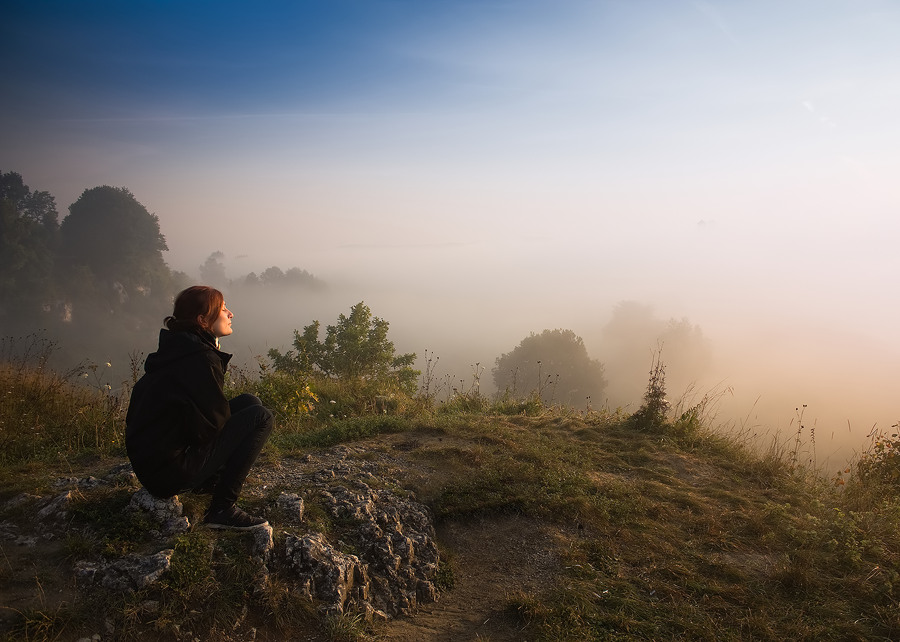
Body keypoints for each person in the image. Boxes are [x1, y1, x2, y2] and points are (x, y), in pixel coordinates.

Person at [126, 285, 274, 530]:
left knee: (250, 402)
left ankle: (208, 482)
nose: (230, 314)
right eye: (223, 309)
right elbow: (211, 427)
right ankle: (222, 508)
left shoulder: (181, 349)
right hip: (170, 473)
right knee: (261, 416)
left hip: (154, 466)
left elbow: (198, 419)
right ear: (203, 320)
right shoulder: (200, 359)